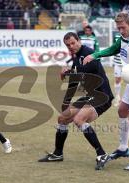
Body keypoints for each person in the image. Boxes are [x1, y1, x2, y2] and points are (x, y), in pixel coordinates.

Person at [83, 12, 129, 170]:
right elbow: (113, 49)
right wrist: (95, 55)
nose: (121, 31)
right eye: (118, 28)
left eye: (123, 27)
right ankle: (123, 148)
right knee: (122, 111)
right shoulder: (122, 38)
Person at [38, 32, 114, 170]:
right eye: (68, 45)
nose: (71, 46)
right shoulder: (76, 59)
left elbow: (89, 69)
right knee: (62, 118)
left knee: (79, 120)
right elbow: (73, 82)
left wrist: (70, 72)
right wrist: (66, 102)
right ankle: (57, 154)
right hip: (90, 96)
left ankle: (101, 154)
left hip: (102, 96)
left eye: (73, 43)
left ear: (79, 40)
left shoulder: (89, 53)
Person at [112, 33, 122, 107]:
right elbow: (114, 48)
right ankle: (117, 97)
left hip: (127, 63)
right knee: (117, 80)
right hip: (117, 62)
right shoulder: (116, 36)